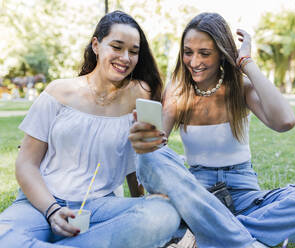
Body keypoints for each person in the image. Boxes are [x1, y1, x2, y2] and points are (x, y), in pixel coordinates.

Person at [129, 12, 295, 248]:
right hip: (197, 197)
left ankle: (209, 235)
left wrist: (246, 64)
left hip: (245, 195)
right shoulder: (177, 90)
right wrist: (145, 139)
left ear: (221, 54)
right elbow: (159, 150)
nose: (194, 61)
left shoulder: (241, 87)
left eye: (205, 53)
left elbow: (284, 121)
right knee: (151, 156)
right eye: (188, 52)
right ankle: (243, 241)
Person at [0, 10, 181, 248]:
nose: (125, 58)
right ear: (96, 45)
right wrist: (53, 211)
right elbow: (25, 164)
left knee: (164, 214)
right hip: (41, 204)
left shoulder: (140, 95)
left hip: (99, 208)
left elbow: (135, 161)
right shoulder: (58, 92)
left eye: (133, 52)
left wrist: (142, 202)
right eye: (116, 47)